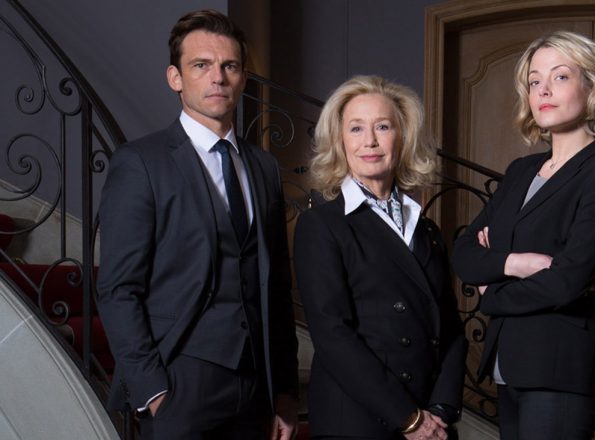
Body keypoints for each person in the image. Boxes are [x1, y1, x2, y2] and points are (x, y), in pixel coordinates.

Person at [96, 9, 298, 440]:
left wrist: (283, 390)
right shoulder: (140, 163)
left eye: (230, 66)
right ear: (176, 78)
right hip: (180, 383)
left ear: (243, 78)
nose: (218, 78)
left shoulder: (263, 166)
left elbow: (276, 285)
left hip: (256, 386)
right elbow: (118, 288)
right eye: (201, 65)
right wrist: (152, 390)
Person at [451, 31, 595, 439]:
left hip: (558, 368)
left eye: (560, 76)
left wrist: (491, 292)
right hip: (508, 364)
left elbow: (566, 281)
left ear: (593, 87)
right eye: (535, 81)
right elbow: (464, 252)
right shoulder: (520, 171)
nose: (543, 90)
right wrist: (516, 263)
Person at [293, 75, 468, 440]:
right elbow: (333, 336)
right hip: (359, 423)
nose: (369, 141)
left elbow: (451, 330)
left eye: (383, 127)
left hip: (431, 421)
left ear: (403, 137)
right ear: (340, 141)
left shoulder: (427, 230)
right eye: (356, 128)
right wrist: (409, 419)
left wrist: (441, 409)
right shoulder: (321, 225)